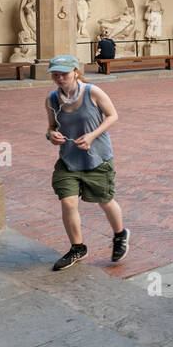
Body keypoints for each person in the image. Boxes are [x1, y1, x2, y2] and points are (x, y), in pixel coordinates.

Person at [44, 54, 129, 271]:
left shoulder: (93, 92)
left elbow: (112, 116)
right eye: (55, 74)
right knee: (68, 202)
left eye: (63, 73)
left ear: (75, 72)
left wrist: (92, 135)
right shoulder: (52, 99)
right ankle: (77, 247)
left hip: (97, 159)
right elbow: (51, 127)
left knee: (105, 201)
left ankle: (120, 235)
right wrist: (51, 135)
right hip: (68, 160)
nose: (59, 77)